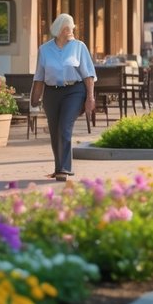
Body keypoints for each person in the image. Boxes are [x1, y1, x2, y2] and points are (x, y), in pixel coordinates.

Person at [30, 13, 97, 182]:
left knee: (64, 126)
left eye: (72, 27)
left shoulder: (79, 47)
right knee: (55, 130)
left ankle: (65, 168)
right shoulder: (44, 50)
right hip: (52, 93)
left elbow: (88, 74)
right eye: (67, 28)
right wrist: (34, 99)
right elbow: (39, 76)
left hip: (74, 91)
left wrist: (90, 97)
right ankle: (59, 167)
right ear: (59, 30)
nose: (71, 30)